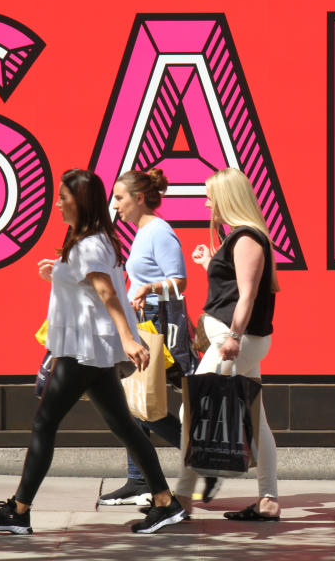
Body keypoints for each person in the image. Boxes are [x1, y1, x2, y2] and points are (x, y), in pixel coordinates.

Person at [0, 169, 185, 535]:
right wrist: (57, 272)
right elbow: (89, 288)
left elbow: (107, 294)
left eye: (63, 198)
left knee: (44, 423)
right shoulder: (91, 239)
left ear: (80, 201)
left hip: (84, 350)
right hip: (93, 350)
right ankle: (166, 503)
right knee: (123, 426)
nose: (56, 204)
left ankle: (19, 511)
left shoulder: (89, 243)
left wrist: (129, 340)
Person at [98, 168, 221, 507]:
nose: (116, 205)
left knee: (141, 405)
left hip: (157, 326)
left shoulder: (159, 232)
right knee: (136, 402)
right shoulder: (143, 232)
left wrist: (149, 288)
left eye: (120, 198)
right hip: (143, 322)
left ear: (139, 198)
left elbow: (179, 282)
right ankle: (142, 478)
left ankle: (197, 460)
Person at [174, 167, 281, 521]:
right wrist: (211, 264)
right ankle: (267, 500)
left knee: (193, 409)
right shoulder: (241, 237)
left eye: (210, 196)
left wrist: (233, 337)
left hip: (237, 340)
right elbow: (234, 288)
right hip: (240, 340)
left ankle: (182, 498)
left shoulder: (247, 238)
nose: (206, 204)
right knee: (258, 420)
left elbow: (248, 296)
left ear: (226, 198)